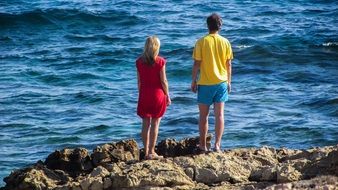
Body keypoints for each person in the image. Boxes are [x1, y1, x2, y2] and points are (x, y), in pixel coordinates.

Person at [191, 13, 233, 152]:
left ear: (207, 26)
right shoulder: (225, 42)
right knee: (220, 115)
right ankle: (217, 145)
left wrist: (193, 81)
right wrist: (229, 81)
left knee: (204, 116)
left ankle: (203, 145)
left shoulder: (201, 42)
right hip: (221, 81)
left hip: (205, 83)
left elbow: (197, 64)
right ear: (220, 26)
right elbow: (228, 65)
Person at [136, 36, 171, 160]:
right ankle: (152, 151)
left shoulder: (139, 62)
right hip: (157, 95)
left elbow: (139, 82)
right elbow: (164, 81)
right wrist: (167, 95)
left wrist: (141, 94)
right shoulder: (160, 61)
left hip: (144, 94)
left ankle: (145, 152)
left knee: (145, 123)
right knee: (155, 123)